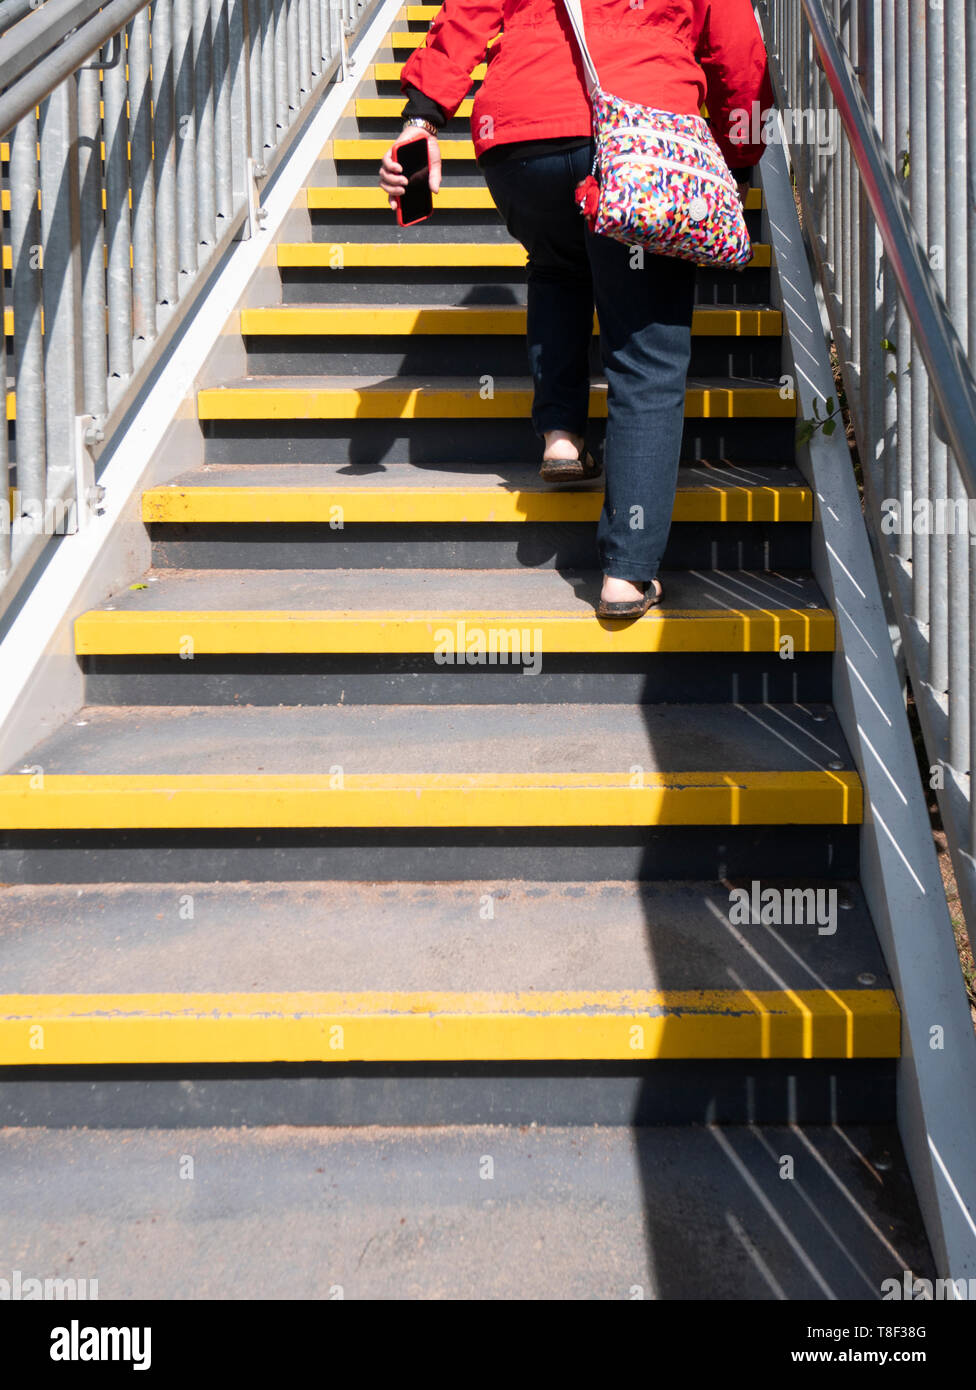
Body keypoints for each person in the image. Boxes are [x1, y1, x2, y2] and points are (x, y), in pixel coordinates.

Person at [379, 0, 774, 617]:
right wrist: (736, 154)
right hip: (642, 133)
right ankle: (626, 573)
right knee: (647, 355)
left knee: (559, 264)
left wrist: (423, 118)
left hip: (521, 138)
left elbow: (467, 10)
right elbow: (737, 54)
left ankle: (561, 436)